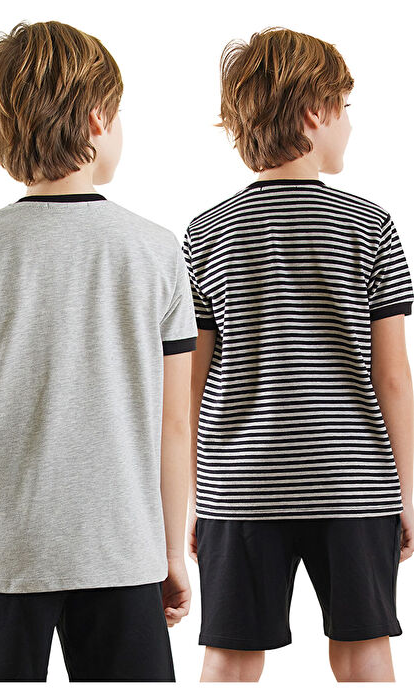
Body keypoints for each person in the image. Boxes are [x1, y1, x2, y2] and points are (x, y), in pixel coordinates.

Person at [0, 20, 197, 682]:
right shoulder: (157, 251)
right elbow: (174, 423)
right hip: (122, 554)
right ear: (99, 118)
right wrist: (168, 554)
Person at [183, 26, 414, 683]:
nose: (350, 125)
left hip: (240, 489)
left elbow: (190, 385)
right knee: (363, 650)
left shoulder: (204, 234)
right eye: (345, 107)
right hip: (353, 483)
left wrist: (197, 497)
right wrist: (407, 491)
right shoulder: (371, 226)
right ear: (315, 112)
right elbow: (393, 377)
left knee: (230, 657)